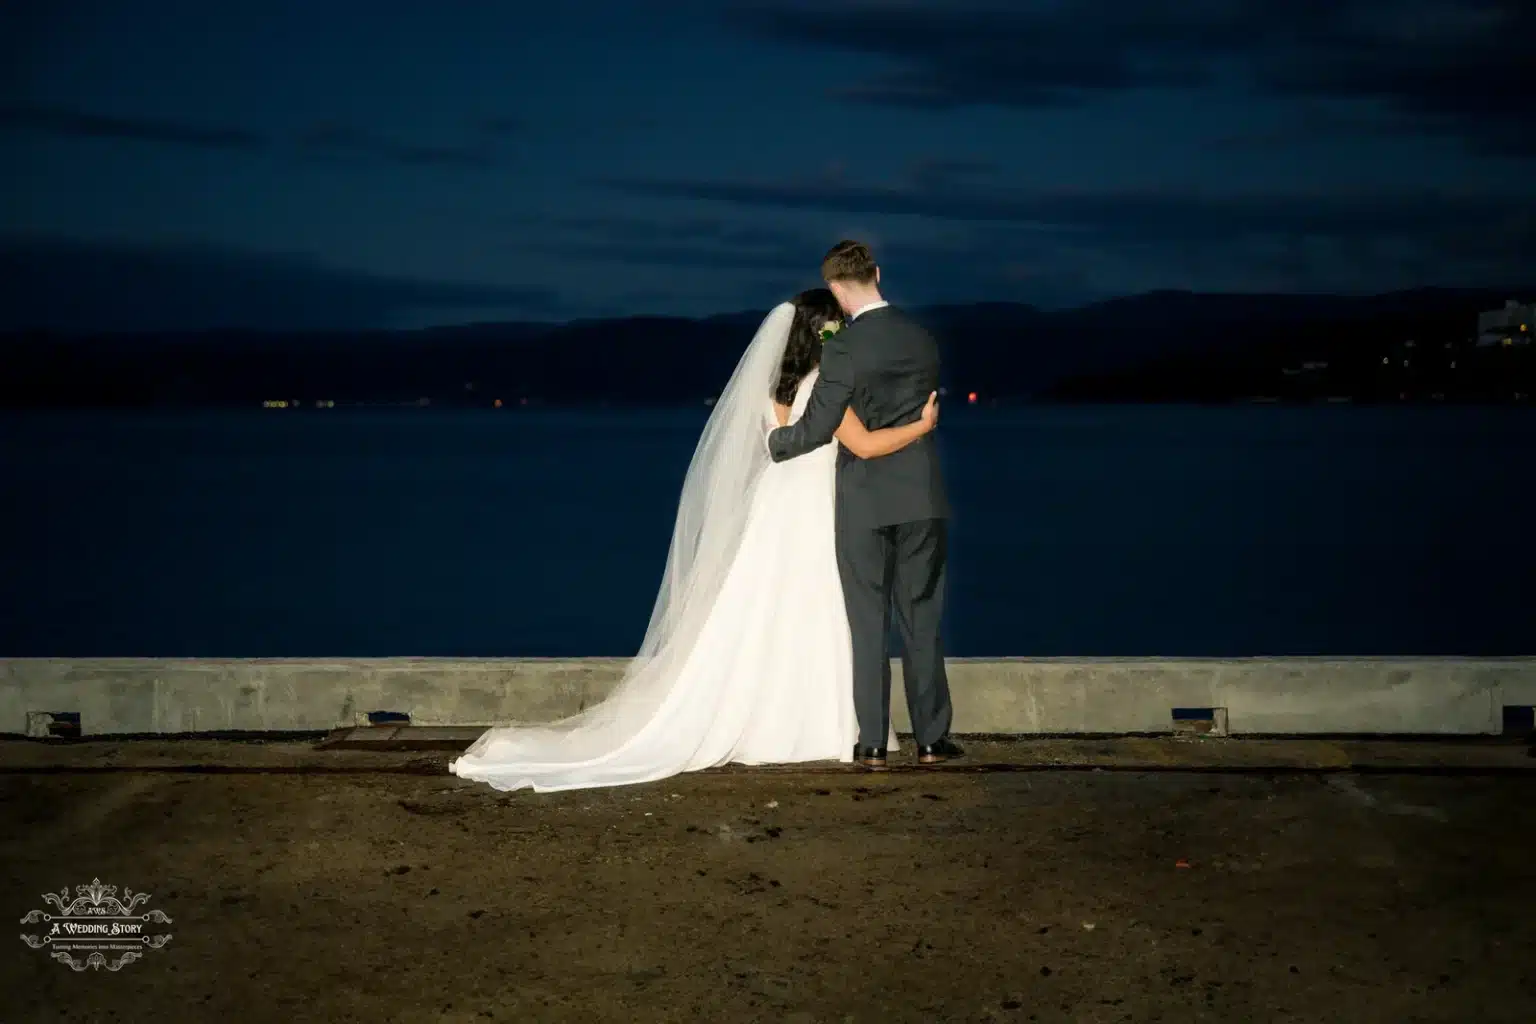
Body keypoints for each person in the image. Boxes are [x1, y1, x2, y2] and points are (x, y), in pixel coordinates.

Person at [449, 286, 938, 792]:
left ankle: (774, 720)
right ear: (826, 333)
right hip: (815, 509)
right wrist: (920, 426)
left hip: (773, 509)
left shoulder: (772, 387)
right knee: (819, 606)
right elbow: (860, 442)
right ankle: (819, 724)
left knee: (760, 612)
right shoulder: (824, 384)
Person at [768, 240, 960, 771]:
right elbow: (918, 409)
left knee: (868, 621)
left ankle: (872, 741)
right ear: (877, 273)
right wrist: (919, 428)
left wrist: (776, 444)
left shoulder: (843, 350)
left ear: (834, 286)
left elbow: (818, 426)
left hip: (864, 501)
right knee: (922, 618)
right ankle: (931, 739)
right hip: (921, 493)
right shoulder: (923, 339)